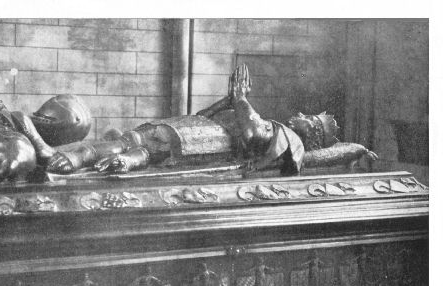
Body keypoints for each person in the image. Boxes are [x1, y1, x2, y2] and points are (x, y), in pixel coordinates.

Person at [46, 64, 376, 175]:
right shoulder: (272, 125)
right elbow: (202, 115)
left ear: (311, 134)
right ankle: (83, 156)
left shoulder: (286, 137)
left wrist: (240, 97)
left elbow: (253, 135)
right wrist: (229, 100)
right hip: (192, 129)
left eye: (309, 119)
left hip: (203, 143)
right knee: (131, 142)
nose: (301, 115)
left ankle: (83, 156)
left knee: (138, 148)